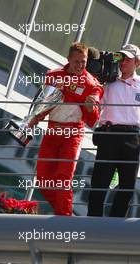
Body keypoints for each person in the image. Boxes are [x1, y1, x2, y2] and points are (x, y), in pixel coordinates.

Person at [36, 42, 103, 216]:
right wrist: (31, 122)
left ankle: (64, 218)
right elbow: (43, 106)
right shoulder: (53, 75)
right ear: (68, 60)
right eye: (77, 61)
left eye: (84, 61)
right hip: (52, 131)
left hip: (73, 134)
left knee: (63, 179)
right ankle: (66, 214)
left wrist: (90, 107)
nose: (80, 65)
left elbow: (93, 120)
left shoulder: (92, 84)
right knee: (43, 181)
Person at [87, 43, 140, 217]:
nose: (123, 62)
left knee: (127, 188)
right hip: (109, 134)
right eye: (121, 57)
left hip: (133, 138)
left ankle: (114, 226)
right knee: (99, 184)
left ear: (137, 63)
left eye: (127, 59)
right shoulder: (107, 79)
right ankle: (93, 223)